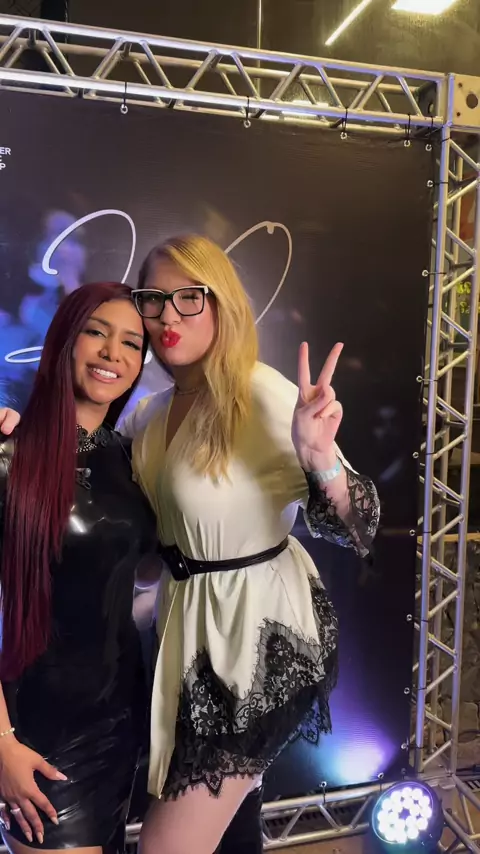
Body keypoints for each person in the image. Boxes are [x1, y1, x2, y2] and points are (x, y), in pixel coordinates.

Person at [0, 236, 380, 854]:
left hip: (255, 646)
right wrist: (17, 435)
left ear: (221, 303)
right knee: (230, 833)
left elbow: (357, 526)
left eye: (190, 297)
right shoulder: (144, 419)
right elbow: (121, 540)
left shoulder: (261, 393)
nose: (169, 315)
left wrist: (322, 462)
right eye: (156, 299)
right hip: (178, 652)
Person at [0, 283, 158, 854]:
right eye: (96, 332)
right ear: (65, 341)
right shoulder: (8, 454)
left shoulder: (130, 458)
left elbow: (135, 575)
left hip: (123, 719)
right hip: (40, 733)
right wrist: (2, 744)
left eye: (132, 342)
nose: (113, 352)